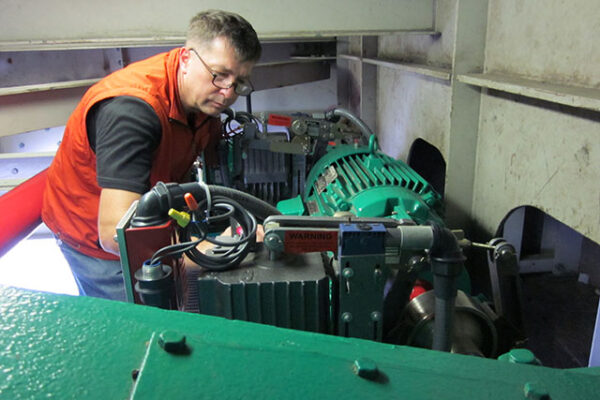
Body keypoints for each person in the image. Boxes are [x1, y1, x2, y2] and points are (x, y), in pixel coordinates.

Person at [41, 10, 262, 301]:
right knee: (135, 331)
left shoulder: (200, 98)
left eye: (240, 82)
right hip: (96, 245)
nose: (228, 93)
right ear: (185, 59)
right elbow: (115, 236)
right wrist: (209, 249)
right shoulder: (131, 113)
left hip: (150, 214)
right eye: (219, 75)